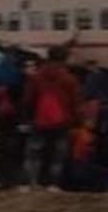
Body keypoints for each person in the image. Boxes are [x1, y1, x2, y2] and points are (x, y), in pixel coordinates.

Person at [22, 46, 82, 190]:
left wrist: (28, 117)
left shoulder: (36, 77)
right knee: (57, 155)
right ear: (64, 59)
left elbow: (28, 100)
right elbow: (76, 102)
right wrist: (76, 120)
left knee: (34, 153)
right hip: (62, 121)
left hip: (39, 120)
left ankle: (32, 183)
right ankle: (53, 184)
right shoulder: (69, 79)